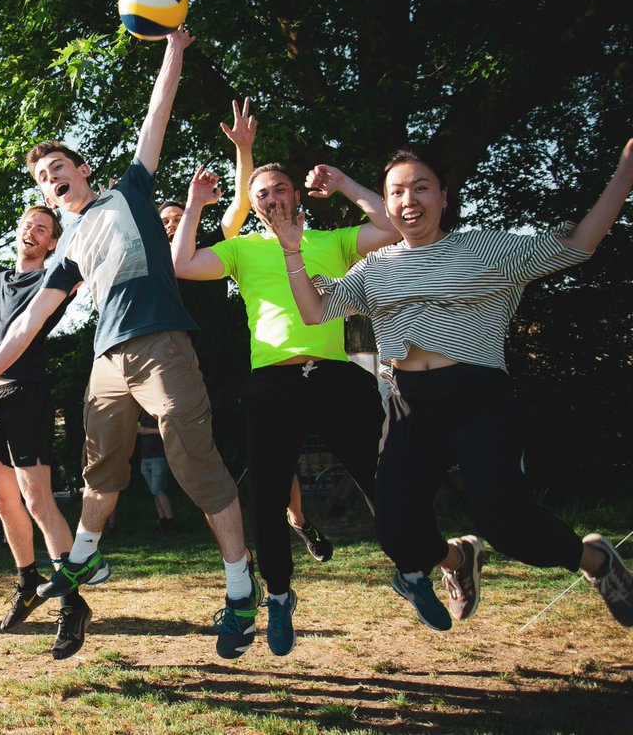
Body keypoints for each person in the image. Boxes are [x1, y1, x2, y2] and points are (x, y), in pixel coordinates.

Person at [0, 28, 260, 661]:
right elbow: (29, 321)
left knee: (192, 461)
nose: (50, 178)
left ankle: (240, 587)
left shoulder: (130, 191)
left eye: (56, 167)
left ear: (82, 170)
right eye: (41, 177)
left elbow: (155, 115)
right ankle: (81, 560)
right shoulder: (64, 250)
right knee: (99, 469)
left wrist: (174, 51)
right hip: (106, 360)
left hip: (162, 344)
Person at [271, 140, 633, 631]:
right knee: (398, 533)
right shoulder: (374, 268)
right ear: (387, 201)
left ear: (444, 195)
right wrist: (292, 251)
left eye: (421, 188)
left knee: (508, 524)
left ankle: (596, 560)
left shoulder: (487, 249)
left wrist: (625, 173)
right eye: (396, 192)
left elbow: (580, 242)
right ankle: (458, 560)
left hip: (477, 397)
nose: (408, 200)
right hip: (409, 403)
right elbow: (314, 312)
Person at [171, 106, 398, 656]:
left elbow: (390, 226)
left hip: (339, 376)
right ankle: (278, 596)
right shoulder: (243, 249)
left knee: (382, 481)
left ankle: (416, 564)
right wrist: (197, 206)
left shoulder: (334, 241)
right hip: (272, 382)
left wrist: (342, 182)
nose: (271, 199)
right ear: (253, 204)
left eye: (279, 190)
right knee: (267, 496)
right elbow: (181, 263)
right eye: (261, 194)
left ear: (296, 195)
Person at [0, 153, 89, 657]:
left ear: (52, 240)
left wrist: (71, 207)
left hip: (25, 391)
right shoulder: (1, 278)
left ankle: (72, 602)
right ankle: (28, 582)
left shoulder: (56, 275)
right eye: (27, 223)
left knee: (36, 497)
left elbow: (79, 244)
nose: (32, 229)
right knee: (4, 502)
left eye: (42, 225)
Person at [135, 411, 176, 534]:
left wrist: (149, 431)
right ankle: (163, 522)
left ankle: (171, 523)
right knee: (155, 492)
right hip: (145, 457)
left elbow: (170, 430)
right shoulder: (141, 414)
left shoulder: (158, 412)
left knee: (158, 490)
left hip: (159, 457)